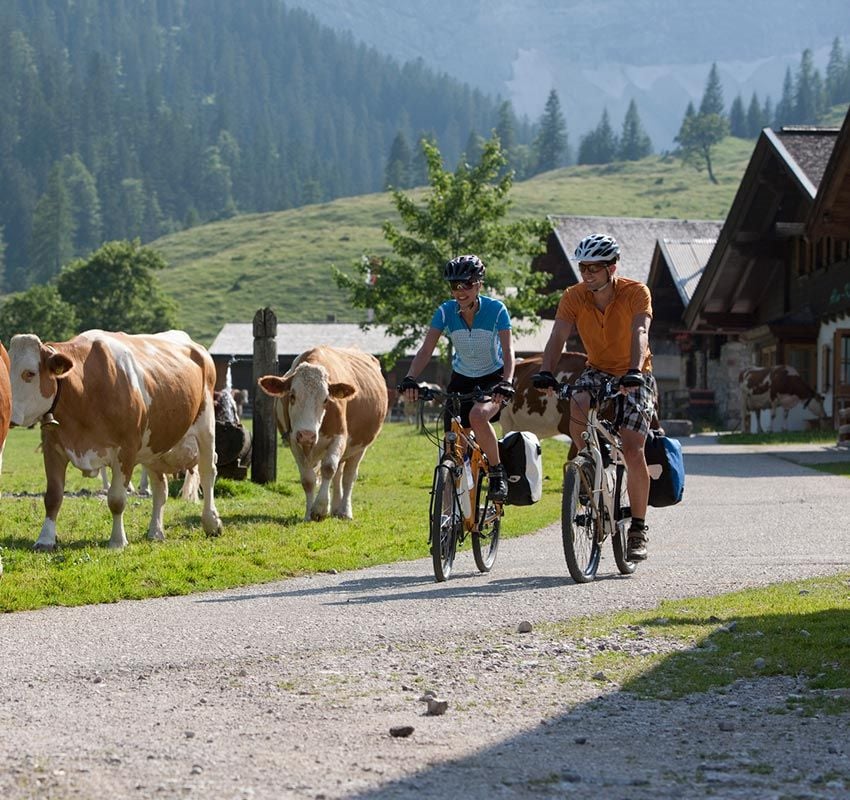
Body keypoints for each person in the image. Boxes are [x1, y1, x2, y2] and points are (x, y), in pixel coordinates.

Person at [532, 233, 657, 561]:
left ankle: (639, 529)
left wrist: (633, 370)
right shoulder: (574, 296)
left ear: (612, 267)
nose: (587, 273)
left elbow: (640, 331)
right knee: (576, 401)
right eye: (583, 267)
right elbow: (558, 334)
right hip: (598, 368)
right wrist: (546, 370)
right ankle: (589, 464)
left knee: (632, 449)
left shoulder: (635, 292)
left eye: (594, 268)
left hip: (635, 372)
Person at [398, 255, 515, 501]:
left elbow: (508, 351)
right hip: (461, 380)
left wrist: (507, 381)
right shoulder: (445, 312)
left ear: (479, 284)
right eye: (454, 286)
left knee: (477, 416)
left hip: (493, 379)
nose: (460, 291)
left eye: (467, 284)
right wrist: (410, 378)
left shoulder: (496, 310)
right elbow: (426, 349)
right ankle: (449, 516)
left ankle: (496, 472)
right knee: (453, 445)